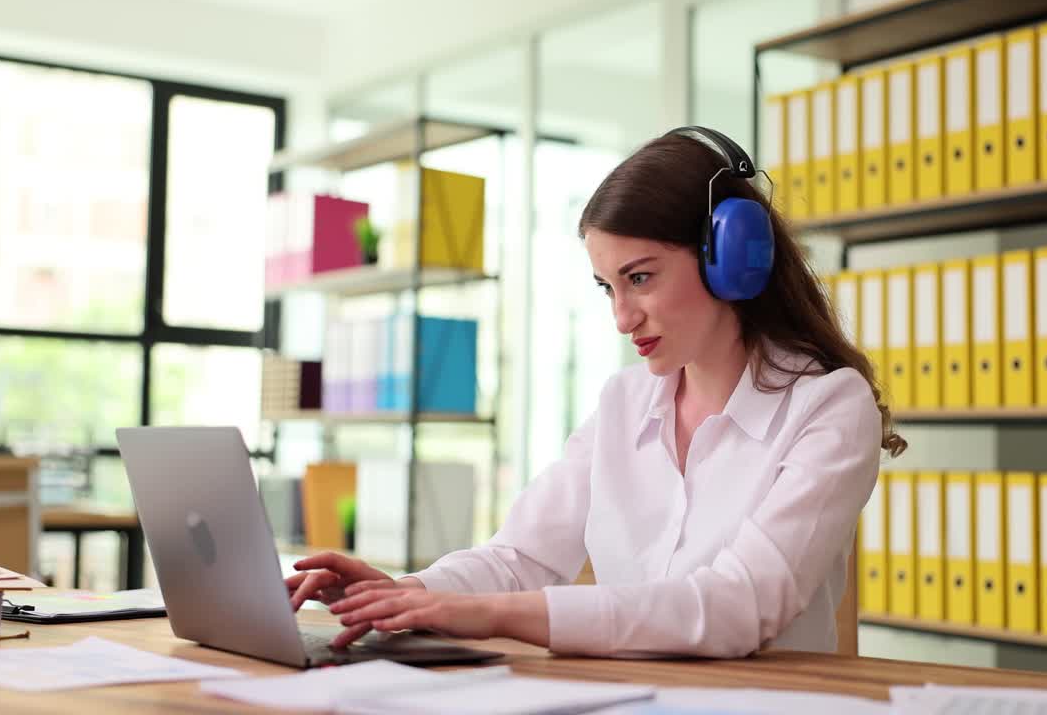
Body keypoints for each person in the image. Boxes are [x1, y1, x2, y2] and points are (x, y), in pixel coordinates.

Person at [285, 127, 906, 659]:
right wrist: (411, 594)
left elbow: (738, 606)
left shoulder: (827, 406)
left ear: (731, 257)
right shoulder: (623, 402)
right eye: (607, 288)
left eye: (640, 278)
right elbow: (520, 557)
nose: (622, 317)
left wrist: (491, 616)